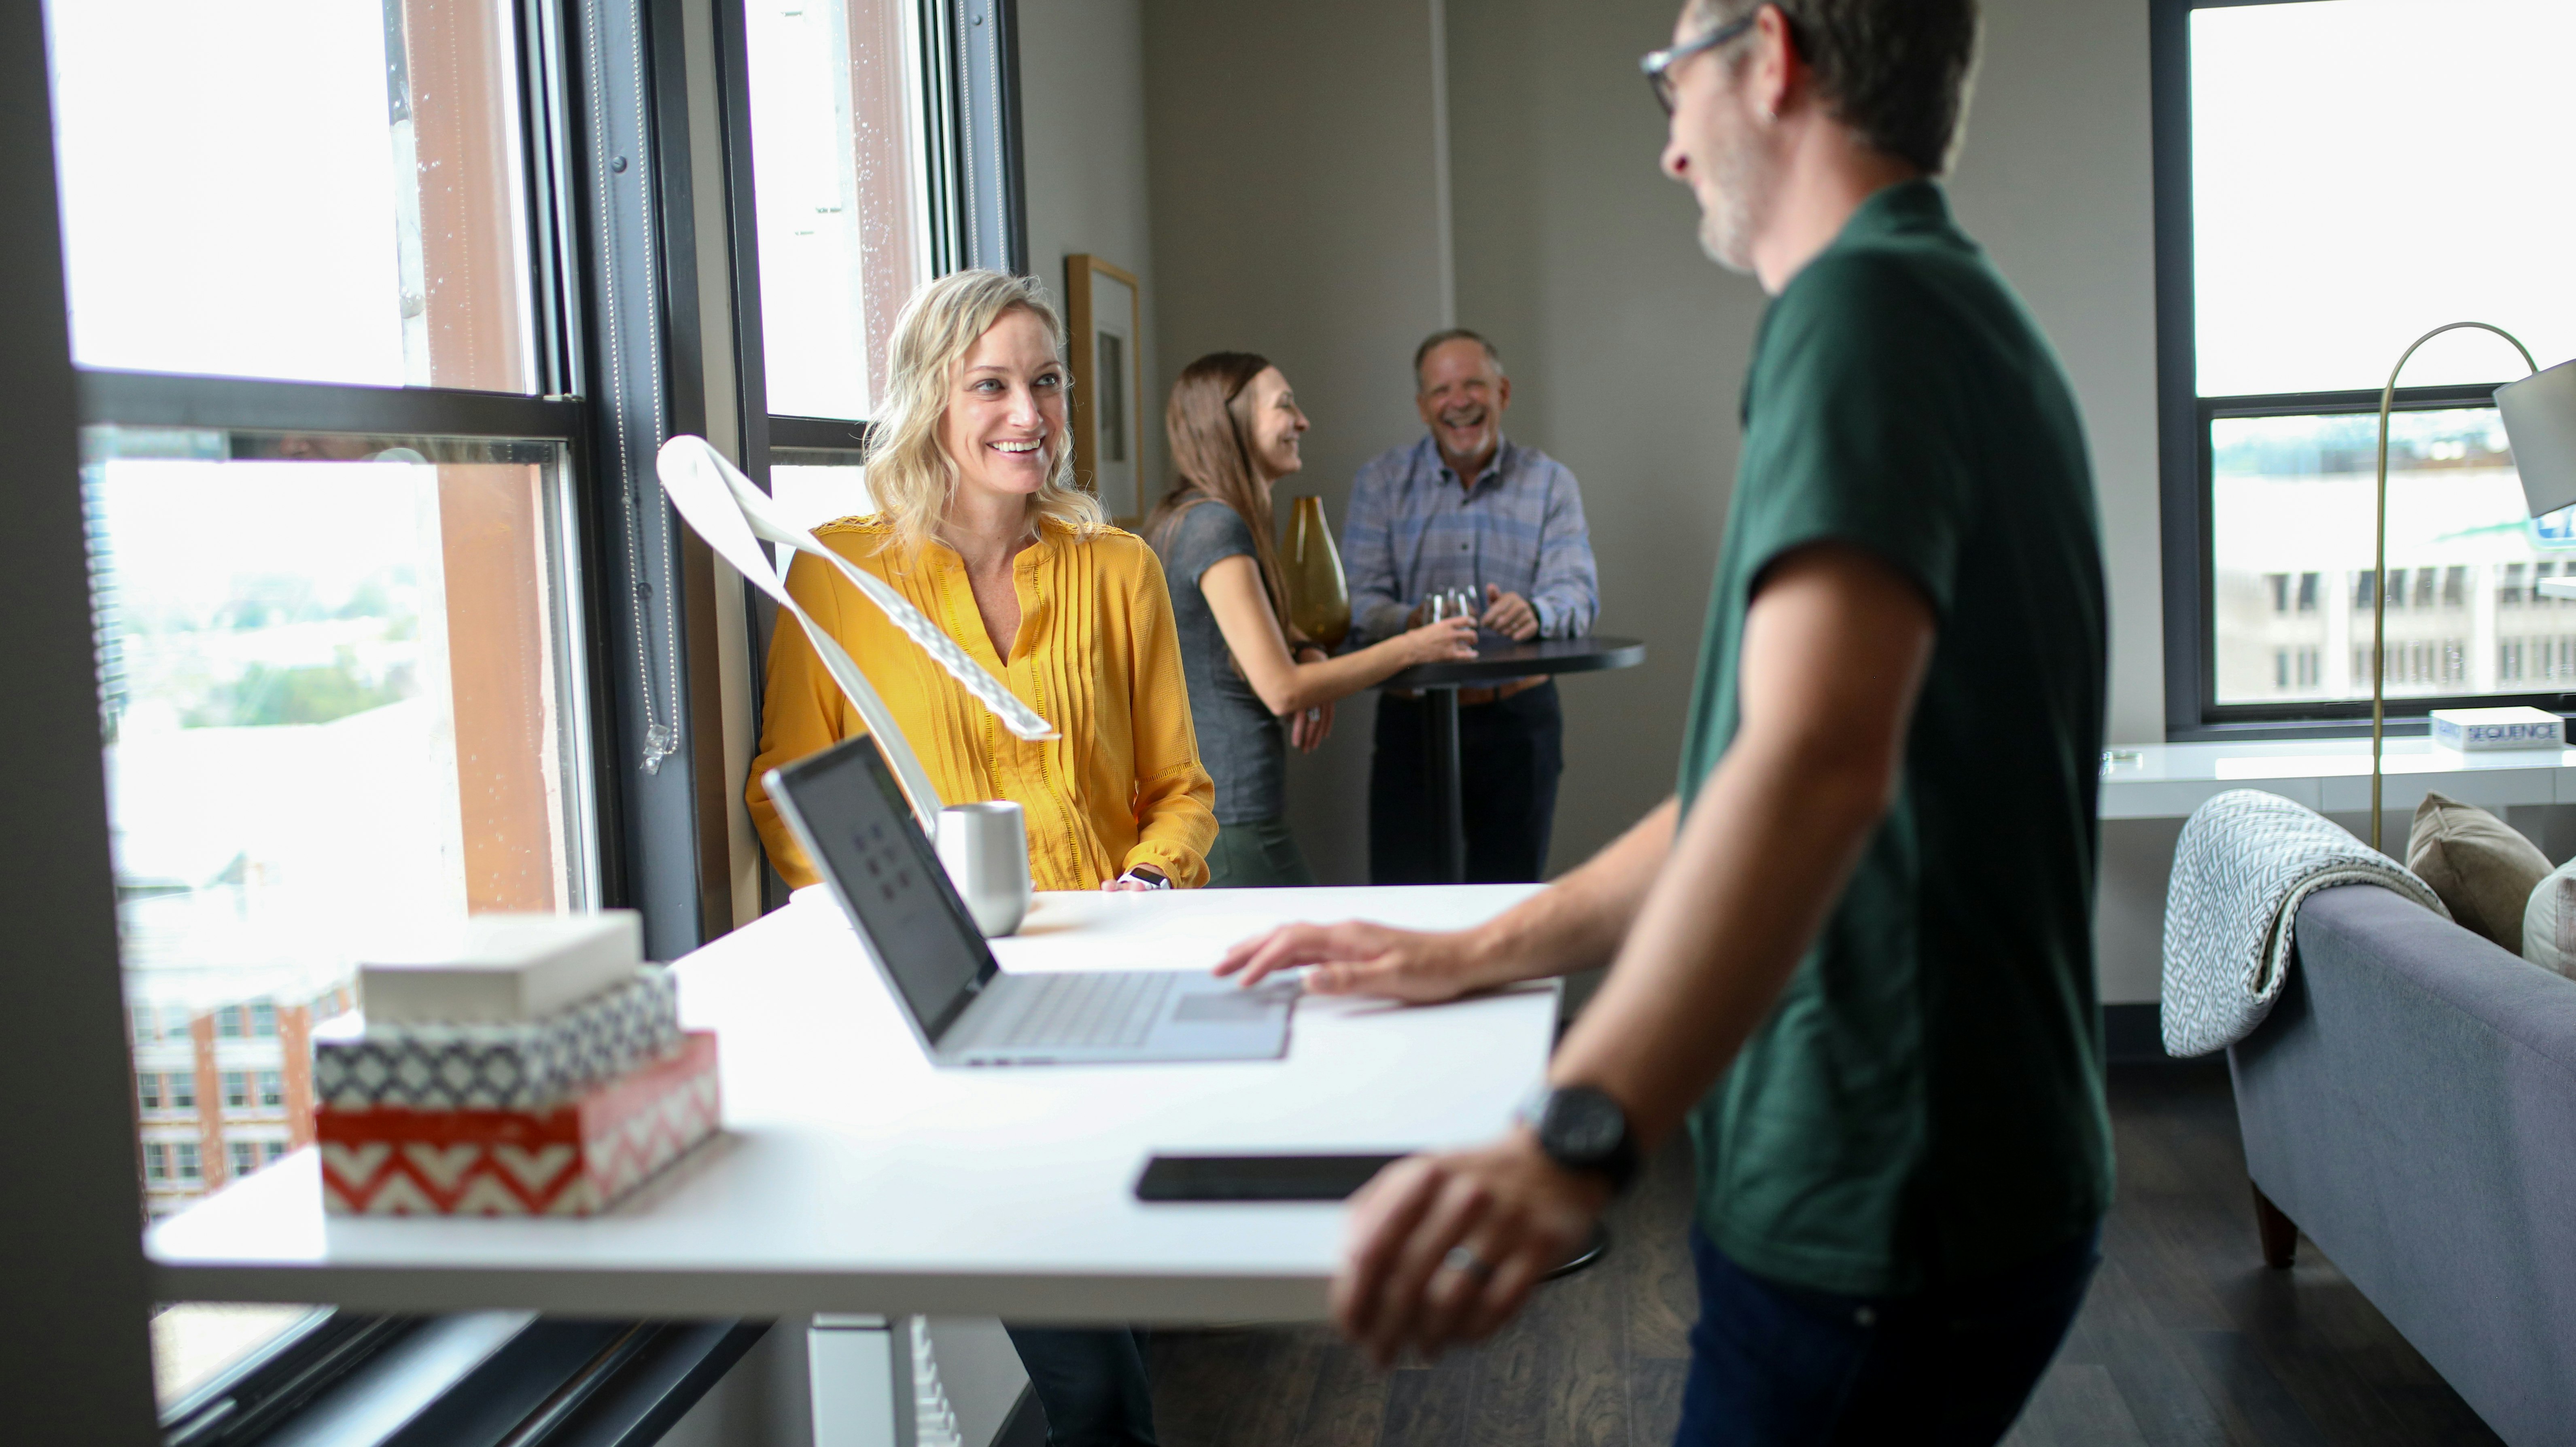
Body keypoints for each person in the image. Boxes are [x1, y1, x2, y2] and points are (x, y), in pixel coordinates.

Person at [1219, 2, 2112, 1443]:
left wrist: (1574, 1128)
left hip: (1881, 1189)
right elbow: (1750, 781)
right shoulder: (1948, 308)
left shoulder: (1855, 313)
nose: (1668, 147)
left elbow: (1812, 769)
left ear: (1770, 57)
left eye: (1669, 80)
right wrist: (1471, 947)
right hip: (1961, 1174)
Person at [746, 267, 1214, 1447]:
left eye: (1045, 382)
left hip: (1117, 1001)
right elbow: (785, 799)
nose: (1028, 413)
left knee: (1126, 1343)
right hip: (959, 1024)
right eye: (990, 384)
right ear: (929, 403)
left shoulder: (1119, 570)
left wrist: (1150, 880)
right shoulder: (838, 577)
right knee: (1096, 1390)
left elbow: (1179, 792)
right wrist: (907, 918)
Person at [1146, 352, 1479, 887]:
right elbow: (1282, 690)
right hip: (1231, 822)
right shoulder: (1215, 527)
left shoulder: (1194, 516)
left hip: (1223, 815)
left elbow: (1255, 625)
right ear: (1231, 422)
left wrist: (1306, 647)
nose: (1302, 421)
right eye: (1284, 406)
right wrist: (1416, 645)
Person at [1343, 328, 1598, 884]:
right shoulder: (1380, 483)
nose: (1458, 402)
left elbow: (1576, 594)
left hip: (1519, 724)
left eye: (1473, 385)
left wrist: (1537, 611)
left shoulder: (1551, 483)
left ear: (1502, 393)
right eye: (1441, 391)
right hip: (1411, 721)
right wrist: (1411, 624)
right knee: (1403, 903)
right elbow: (1359, 602)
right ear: (1422, 406)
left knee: (1509, 906)